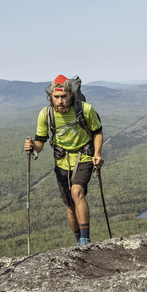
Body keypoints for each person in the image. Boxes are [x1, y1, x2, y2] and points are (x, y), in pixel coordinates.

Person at [24, 75, 104, 247]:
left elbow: (97, 131)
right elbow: (40, 142)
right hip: (61, 161)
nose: (60, 101)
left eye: (63, 96)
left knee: (77, 193)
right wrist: (32, 147)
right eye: (56, 97)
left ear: (71, 95)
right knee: (69, 204)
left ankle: (85, 240)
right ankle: (78, 240)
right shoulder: (46, 114)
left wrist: (97, 153)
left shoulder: (85, 109)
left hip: (84, 156)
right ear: (51, 97)